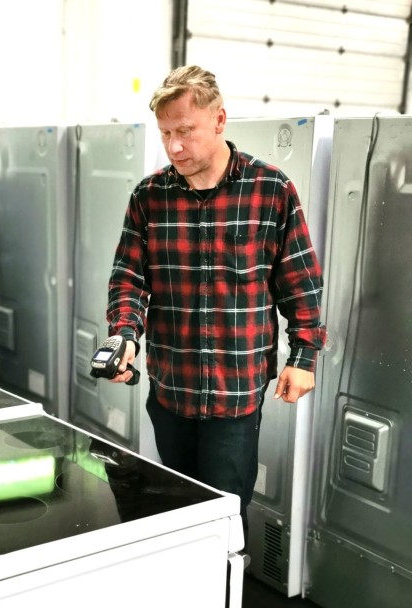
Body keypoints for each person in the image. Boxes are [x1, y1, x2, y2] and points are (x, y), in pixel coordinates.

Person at [105, 65, 326, 544]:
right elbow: (129, 279)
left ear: (220, 120)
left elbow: (300, 283)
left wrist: (305, 356)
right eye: (166, 134)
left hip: (235, 395)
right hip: (171, 389)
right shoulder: (149, 196)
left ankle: (225, 607)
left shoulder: (271, 190)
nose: (174, 147)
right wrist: (124, 335)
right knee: (176, 506)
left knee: (225, 513)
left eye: (185, 131)